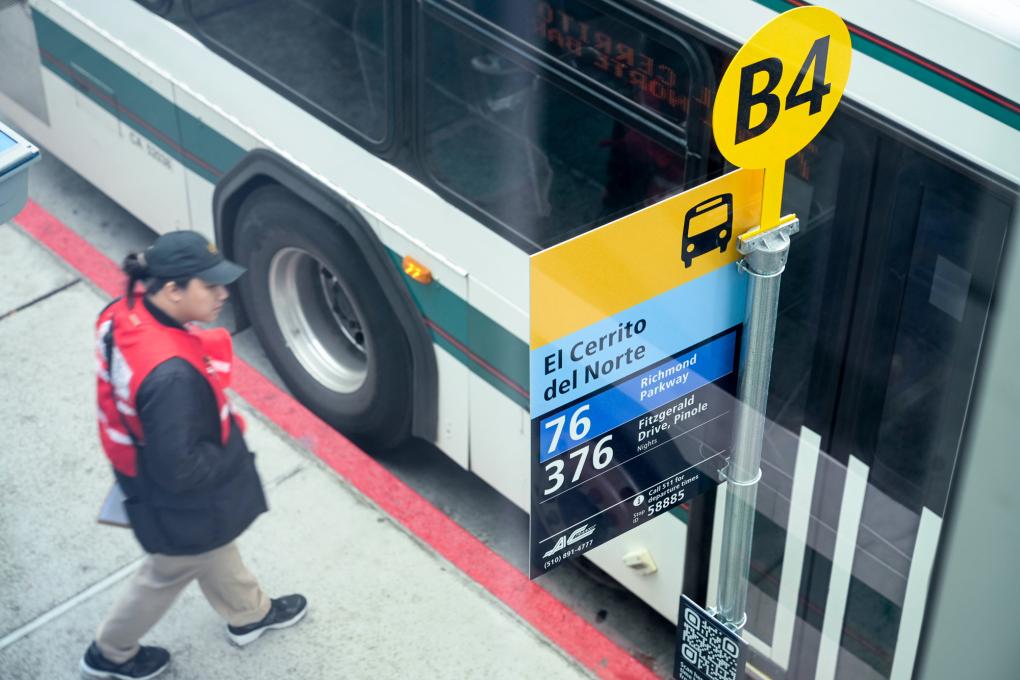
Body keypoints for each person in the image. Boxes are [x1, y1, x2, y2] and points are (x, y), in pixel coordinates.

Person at [82, 231, 307, 679]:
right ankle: (110, 653)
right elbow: (182, 469)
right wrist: (233, 459)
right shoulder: (171, 379)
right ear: (172, 290)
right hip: (174, 489)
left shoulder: (123, 310)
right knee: (170, 568)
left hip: (139, 461)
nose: (224, 294)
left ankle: (249, 614)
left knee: (211, 543)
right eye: (211, 285)